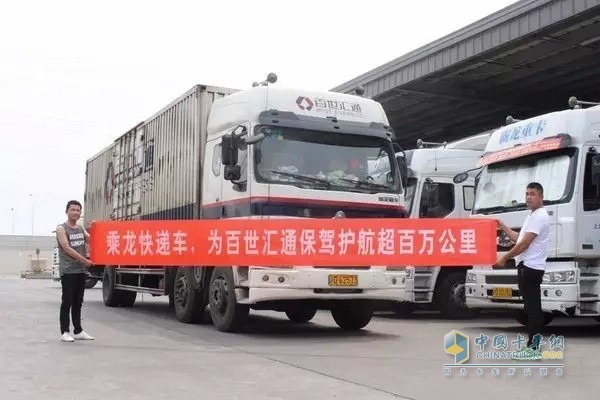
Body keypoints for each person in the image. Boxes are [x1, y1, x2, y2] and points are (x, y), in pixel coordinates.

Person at [493, 182, 550, 357]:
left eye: (533, 194)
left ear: (541, 197)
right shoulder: (532, 216)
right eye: (527, 194)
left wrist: (504, 258)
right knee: (531, 308)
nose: (528, 197)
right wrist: (503, 226)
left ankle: (533, 349)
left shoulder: (539, 216)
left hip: (531, 268)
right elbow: (519, 238)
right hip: (528, 267)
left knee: (533, 310)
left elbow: (524, 244)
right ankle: (533, 347)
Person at [56, 200, 95, 342]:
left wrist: (95, 228)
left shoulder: (80, 228)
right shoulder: (61, 228)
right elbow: (66, 248)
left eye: (78, 210)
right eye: (72, 210)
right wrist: (84, 260)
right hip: (68, 271)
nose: (75, 212)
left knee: (78, 302)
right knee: (67, 301)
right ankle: (65, 332)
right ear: (67, 211)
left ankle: (78, 330)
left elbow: (92, 240)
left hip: (80, 271)